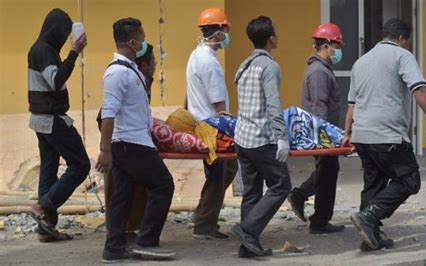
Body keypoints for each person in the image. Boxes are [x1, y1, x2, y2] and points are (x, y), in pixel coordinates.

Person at [342, 18, 426, 252]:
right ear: (403, 38)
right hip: (387, 135)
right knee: (409, 180)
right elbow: (418, 87)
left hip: (362, 136)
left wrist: (347, 134)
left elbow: (352, 105)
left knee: (373, 184)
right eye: (407, 41)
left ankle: (370, 236)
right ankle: (370, 217)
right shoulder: (402, 56)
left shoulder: (361, 62)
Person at [96, 18, 175, 263]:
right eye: (141, 38)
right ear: (131, 42)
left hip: (132, 141)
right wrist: (104, 150)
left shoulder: (129, 70)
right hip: (131, 144)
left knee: (123, 194)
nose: (143, 42)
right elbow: (108, 112)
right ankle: (146, 241)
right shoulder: (117, 73)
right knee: (163, 185)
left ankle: (114, 247)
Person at [27, 8, 90, 243]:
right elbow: (56, 80)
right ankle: (42, 207)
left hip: (41, 119)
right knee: (80, 165)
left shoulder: (43, 49)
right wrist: (74, 52)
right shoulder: (44, 50)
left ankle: (45, 229)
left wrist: (71, 52)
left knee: (49, 172)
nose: (65, 40)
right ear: (54, 31)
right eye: (63, 35)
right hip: (52, 119)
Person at [231, 16, 291, 258]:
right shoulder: (269, 66)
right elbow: (273, 104)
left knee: (252, 191)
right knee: (281, 185)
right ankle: (247, 230)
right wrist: (282, 136)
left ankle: (249, 245)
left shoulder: (244, 65)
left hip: (242, 137)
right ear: (271, 38)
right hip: (261, 138)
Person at [287, 23, 345, 235]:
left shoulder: (320, 69)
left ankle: (302, 198)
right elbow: (319, 107)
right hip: (321, 134)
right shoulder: (319, 72)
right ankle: (319, 220)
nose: (339, 51)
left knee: (327, 171)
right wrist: (324, 138)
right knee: (328, 172)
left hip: (321, 133)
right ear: (327, 45)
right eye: (337, 45)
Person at [186, 7, 238, 240]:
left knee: (224, 171)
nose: (227, 35)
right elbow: (219, 106)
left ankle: (202, 214)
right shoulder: (209, 62)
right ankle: (204, 224)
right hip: (213, 127)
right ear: (218, 32)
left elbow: (188, 97)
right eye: (225, 30)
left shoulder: (196, 55)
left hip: (201, 124)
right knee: (219, 173)